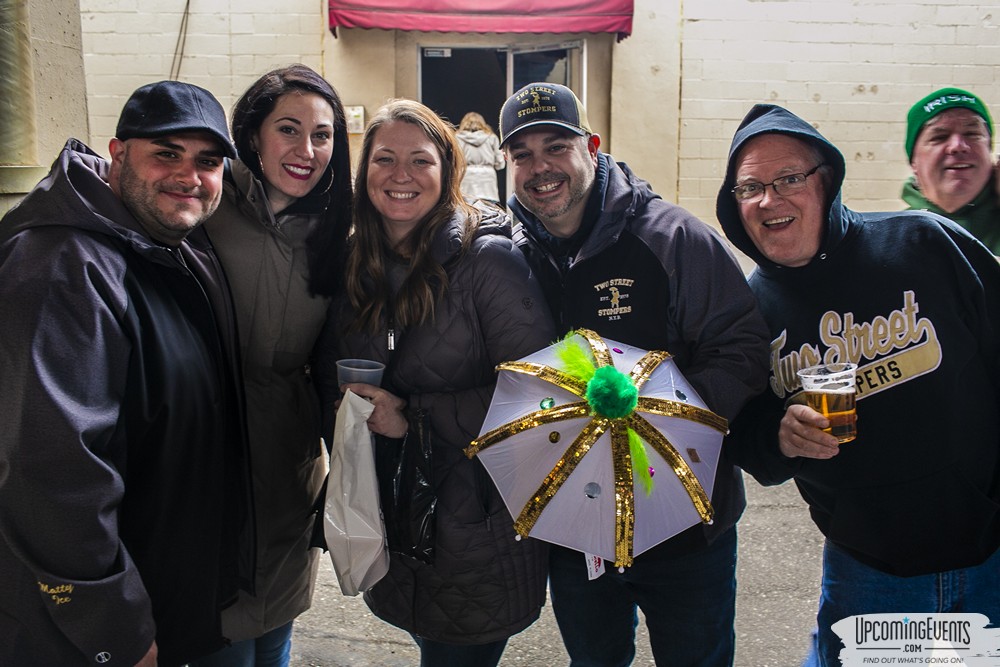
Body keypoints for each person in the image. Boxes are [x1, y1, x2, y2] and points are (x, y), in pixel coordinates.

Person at [715, 103, 1000, 666]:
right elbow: (745, 439)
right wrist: (780, 435)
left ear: (828, 181)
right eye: (751, 188)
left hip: (989, 553)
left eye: (790, 178)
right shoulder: (749, 310)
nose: (771, 199)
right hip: (869, 570)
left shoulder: (926, 245)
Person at [499, 82, 770, 667]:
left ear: (592, 147)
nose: (540, 168)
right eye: (522, 154)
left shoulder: (672, 239)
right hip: (578, 530)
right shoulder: (512, 255)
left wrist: (666, 418)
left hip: (685, 529)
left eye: (556, 147)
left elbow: (742, 345)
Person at [0, 81, 255, 666]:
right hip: (82, 635)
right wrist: (115, 627)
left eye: (208, 162)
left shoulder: (167, 246)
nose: (188, 176)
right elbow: (51, 477)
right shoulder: (60, 267)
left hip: (165, 597)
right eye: (166, 153)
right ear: (117, 155)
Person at [314, 99, 555, 667]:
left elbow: (543, 391)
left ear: (447, 170)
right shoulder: (354, 262)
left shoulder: (487, 262)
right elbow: (328, 366)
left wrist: (413, 416)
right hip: (393, 512)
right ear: (363, 170)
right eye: (385, 159)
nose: (401, 176)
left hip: (477, 523)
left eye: (420, 160)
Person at [189, 65, 353, 667]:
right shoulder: (204, 206)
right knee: (219, 639)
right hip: (207, 461)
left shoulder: (335, 231)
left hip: (289, 468)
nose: (306, 151)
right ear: (251, 135)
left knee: (276, 636)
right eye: (289, 129)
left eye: (323, 135)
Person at [901, 87, 1000, 253]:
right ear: (914, 163)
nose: (958, 146)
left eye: (972, 133)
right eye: (939, 137)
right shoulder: (896, 240)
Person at [456, 111, 505, 203]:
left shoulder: (457, 138)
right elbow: (500, 163)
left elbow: (454, 161)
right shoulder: (492, 137)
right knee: (490, 213)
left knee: (467, 213)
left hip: (466, 179)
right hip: (488, 182)